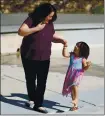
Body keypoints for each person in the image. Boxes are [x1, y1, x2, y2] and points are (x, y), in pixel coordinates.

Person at [18, 3, 67, 113]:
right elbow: (21, 31)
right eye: (49, 16)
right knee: (30, 79)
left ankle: (38, 104)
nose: (50, 18)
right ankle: (32, 99)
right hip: (29, 56)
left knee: (42, 81)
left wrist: (61, 40)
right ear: (42, 14)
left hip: (44, 57)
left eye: (52, 16)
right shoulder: (31, 19)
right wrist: (37, 28)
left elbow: (50, 36)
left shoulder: (49, 23)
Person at [62, 41, 91, 111]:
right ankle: (75, 105)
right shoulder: (72, 55)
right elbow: (65, 55)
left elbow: (84, 68)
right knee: (72, 89)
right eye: (76, 45)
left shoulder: (82, 59)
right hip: (71, 73)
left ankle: (76, 99)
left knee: (74, 85)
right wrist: (64, 47)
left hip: (78, 74)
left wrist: (88, 66)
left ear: (82, 50)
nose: (75, 47)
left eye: (77, 46)